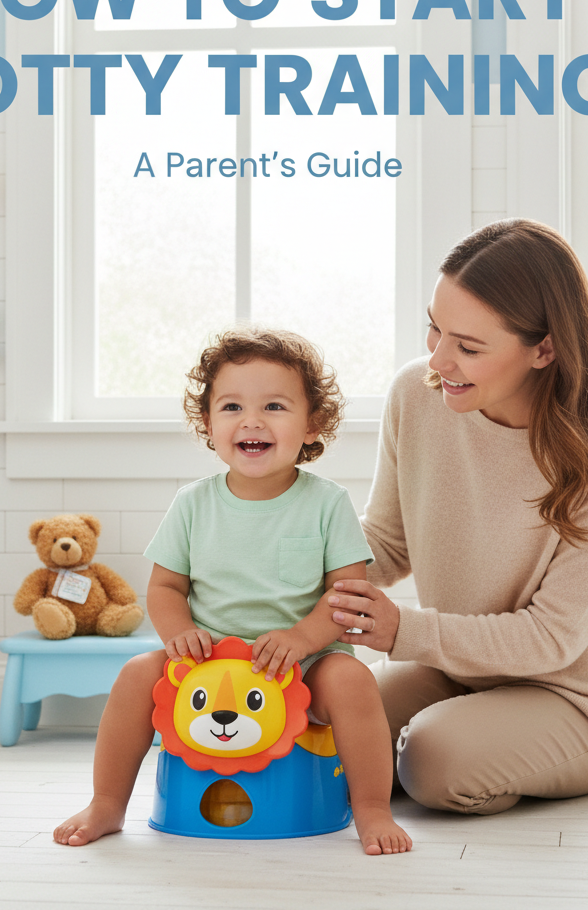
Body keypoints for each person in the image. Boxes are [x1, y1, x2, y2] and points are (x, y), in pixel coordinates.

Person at [327, 218, 588, 816]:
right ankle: (480, 741)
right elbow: (387, 544)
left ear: (543, 348)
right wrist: (285, 565)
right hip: (457, 672)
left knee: (430, 761)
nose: (439, 360)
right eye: (434, 330)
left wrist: (403, 632)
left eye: (468, 347)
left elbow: (554, 637)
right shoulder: (417, 396)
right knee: (323, 720)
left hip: (576, 692)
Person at [54, 326, 413, 855]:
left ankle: (372, 808)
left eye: (274, 406)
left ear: (312, 423)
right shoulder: (192, 504)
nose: (252, 421)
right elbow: (166, 588)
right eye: (231, 407)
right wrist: (180, 636)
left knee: (355, 682)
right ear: (208, 423)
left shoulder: (327, 504)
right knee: (134, 675)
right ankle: (107, 802)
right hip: (205, 660)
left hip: (304, 663)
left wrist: (301, 639)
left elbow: (347, 594)